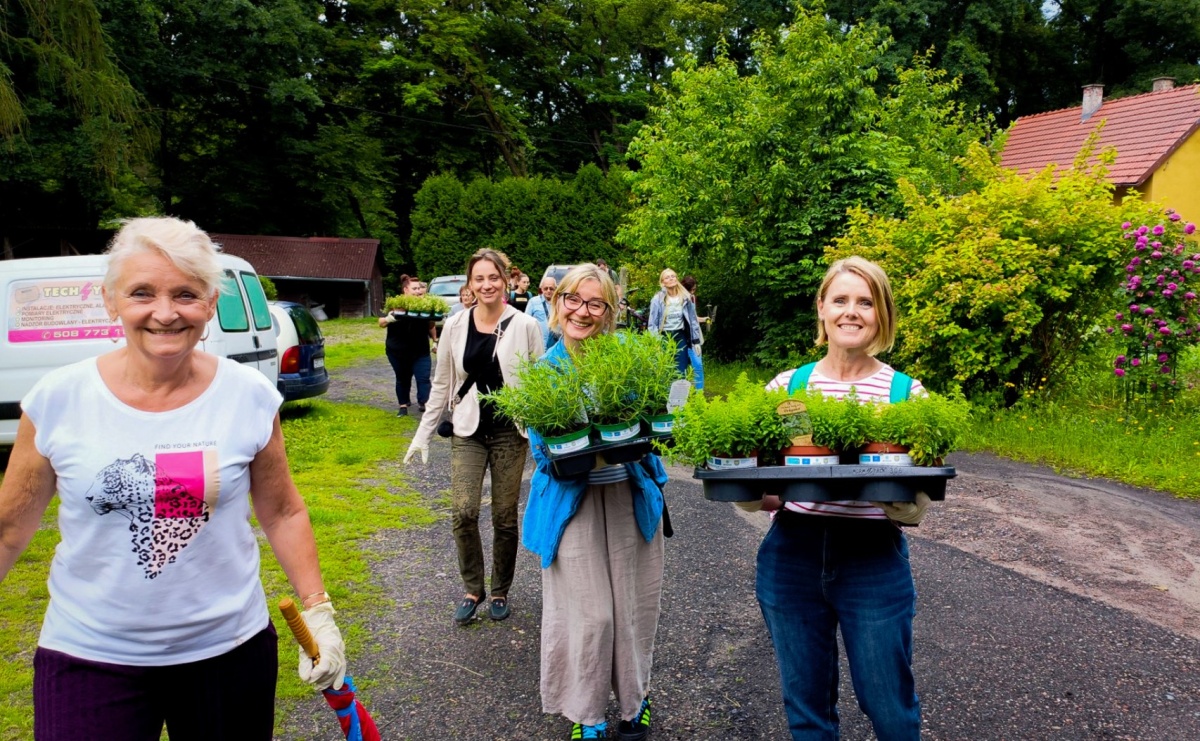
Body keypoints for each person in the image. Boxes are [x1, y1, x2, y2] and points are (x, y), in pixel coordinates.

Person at [0, 217, 346, 740]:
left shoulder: (247, 396)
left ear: (210, 304)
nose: (165, 313)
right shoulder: (58, 399)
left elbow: (282, 510)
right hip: (89, 656)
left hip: (228, 654)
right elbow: (8, 531)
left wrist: (318, 610)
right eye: (142, 293)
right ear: (110, 300)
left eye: (185, 294)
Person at [751, 256, 930, 740]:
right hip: (793, 552)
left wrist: (904, 502)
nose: (852, 312)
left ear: (882, 314)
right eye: (841, 300)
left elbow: (917, 504)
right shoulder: (788, 389)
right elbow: (769, 487)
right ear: (822, 309)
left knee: (889, 704)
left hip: (872, 557)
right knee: (806, 705)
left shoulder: (905, 394)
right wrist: (751, 493)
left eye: (866, 302)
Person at [523, 264, 668, 741]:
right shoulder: (545, 371)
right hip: (574, 501)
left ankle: (635, 701)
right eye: (573, 300)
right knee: (590, 616)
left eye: (595, 303)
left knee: (632, 610)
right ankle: (586, 712)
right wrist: (575, 449)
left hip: (628, 492)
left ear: (608, 313)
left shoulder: (629, 355)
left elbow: (654, 418)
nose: (582, 312)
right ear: (557, 302)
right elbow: (543, 451)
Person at [404, 248, 544, 625]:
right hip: (468, 430)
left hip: (509, 433)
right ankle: (472, 587)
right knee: (463, 511)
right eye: (479, 279)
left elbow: (540, 385)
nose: (486, 285)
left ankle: (499, 590)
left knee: (503, 516)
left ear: (506, 280)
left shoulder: (526, 326)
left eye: (493, 277)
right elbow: (441, 384)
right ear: (469, 284)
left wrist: (545, 434)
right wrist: (423, 434)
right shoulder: (454, 326)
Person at [379, 274, 436, 416]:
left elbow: (431, 325)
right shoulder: (396, 305)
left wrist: (435, 341)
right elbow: (381, 322)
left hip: (420, 350)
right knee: (403, 378)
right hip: (398, 351)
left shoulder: (425, 306)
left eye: (419, 288)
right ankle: (403, 405)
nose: (418, 291)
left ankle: (425, 403)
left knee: (423, 378)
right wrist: (389, 318)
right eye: (414, 288)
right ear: (405, 290)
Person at [647, 268, 702, 383]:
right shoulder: (657, 299)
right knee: (665, 369)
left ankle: (679, 399)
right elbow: (652, 324)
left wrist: (696, 341)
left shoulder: (686, 297)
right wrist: (655, 342)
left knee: (681, 370)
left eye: (673, 276)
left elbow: (693, 320)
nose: (671, 278)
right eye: (667, 277)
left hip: (680, 335)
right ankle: (666, 398)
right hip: (664, 337)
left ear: (677, 279)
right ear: (663, 283)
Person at [679, 275, 705, 391]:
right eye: (691, 289)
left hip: (692, 337)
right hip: (680, 336)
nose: (692, 292)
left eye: (694, 289)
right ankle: (682, 394)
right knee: (681, 368)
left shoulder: (692, 298)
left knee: (698, 365)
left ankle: (700, 394)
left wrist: (704, 319)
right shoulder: (676, 298)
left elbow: (693, 318)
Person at [526, 275, 557, 348]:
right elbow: (526, 322)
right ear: (542, 289)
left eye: (551, 288)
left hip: (554, 344)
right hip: (538, 344)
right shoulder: (533, 301)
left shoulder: (559, 303)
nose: (548, 291)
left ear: (555, 289)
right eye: (546, 288)